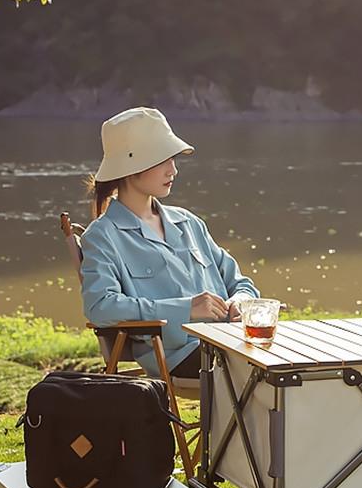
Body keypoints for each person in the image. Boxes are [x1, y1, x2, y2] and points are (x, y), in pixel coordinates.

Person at [80, 106, 258, 378]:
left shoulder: (189, 223)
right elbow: (100, 307)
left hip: (230, 340)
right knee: (272, 371)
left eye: (173, 159)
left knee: (300, 360)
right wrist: (185, 309)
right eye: (162, 160)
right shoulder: (103, 236)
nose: (173, 170)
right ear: (131, 166)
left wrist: (239, 303)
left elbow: (242, 284)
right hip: (181, 356)